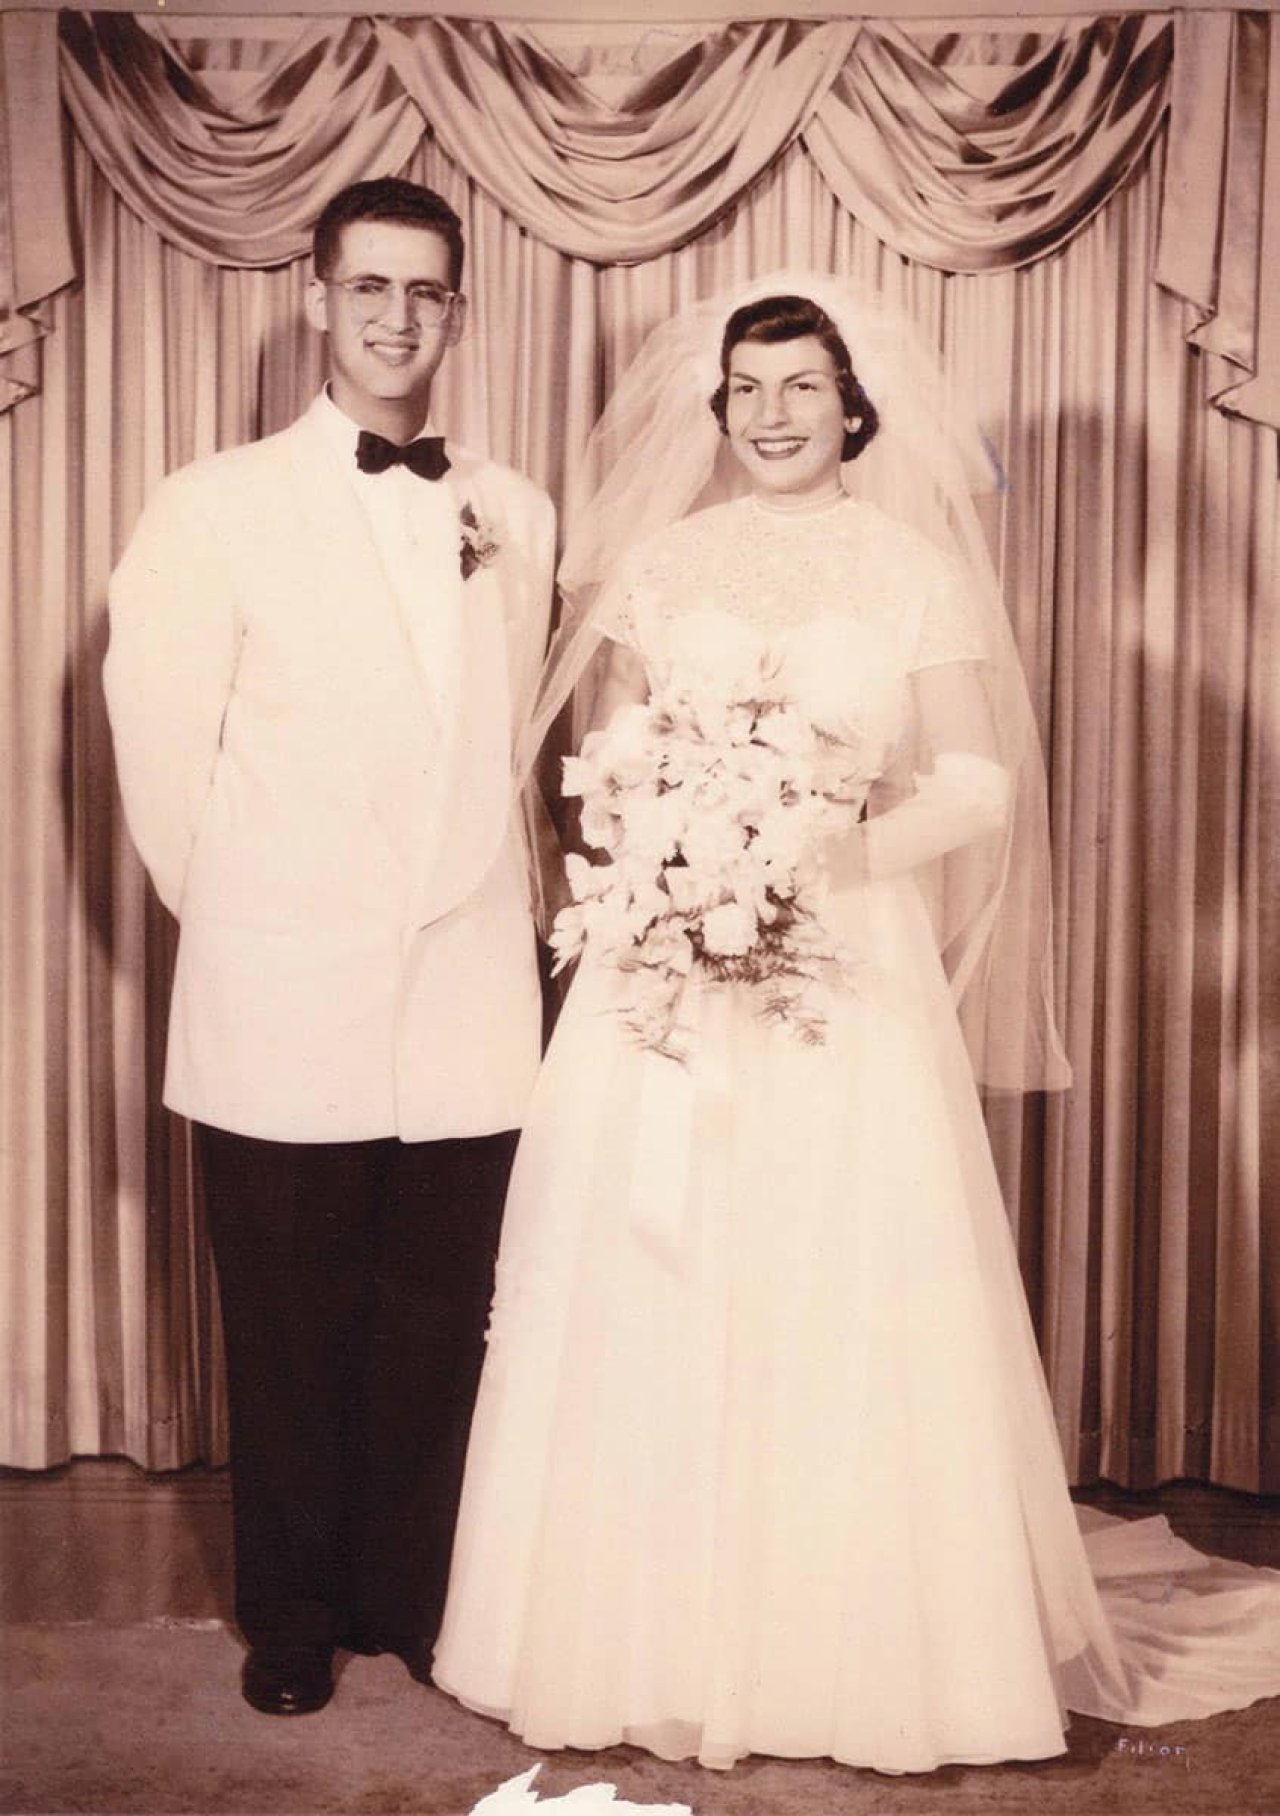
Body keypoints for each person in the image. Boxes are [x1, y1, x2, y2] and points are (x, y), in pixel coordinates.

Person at [432, 276, 1280, 1773]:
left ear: (852, 406)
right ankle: (637, 1638)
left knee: (837, 1279)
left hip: (842, 968)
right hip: (671, 979)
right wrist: (679, 847)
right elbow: (606, 757)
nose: (771, 415)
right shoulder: (663, 567)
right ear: (719, 412)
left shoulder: (911, 572)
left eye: (800, 388)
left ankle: (855, 1654)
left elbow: (976, 785)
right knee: (656, 1271)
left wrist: (819, 849)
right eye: (747, 389)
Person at [104, 178, 555, 1717]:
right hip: (282, 986)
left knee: (439, 1319)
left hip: (470, 994)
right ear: (316, 297)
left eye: (426, 292)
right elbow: (161, 757)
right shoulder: (210, 502)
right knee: (290, 1324)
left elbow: (504, 747)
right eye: (369, 287)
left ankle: (406, 1601)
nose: (397, 317)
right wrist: (260, 919)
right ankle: (291, 1618)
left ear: (456, 308)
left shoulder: (518, 506)